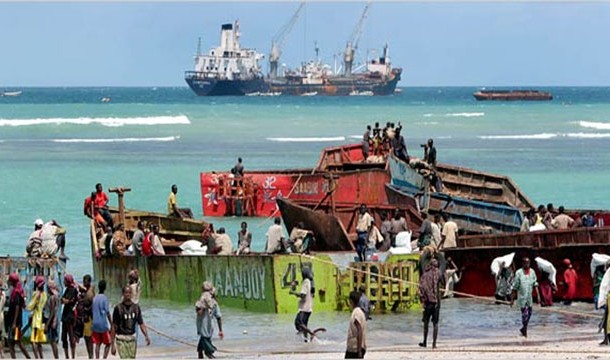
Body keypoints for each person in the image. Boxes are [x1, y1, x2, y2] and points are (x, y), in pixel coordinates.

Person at [111, 285, 151, 359]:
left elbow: (141, 323)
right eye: (126, 292)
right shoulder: (118, 308)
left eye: (129, 292)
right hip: (121, 339)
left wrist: (146, 336)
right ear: (123, 294)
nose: (128, 294)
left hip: (132, 339)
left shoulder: (136, 308)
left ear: (132, 294)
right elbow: (113, 326)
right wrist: (112, 344)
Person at [510, 257, 541, 338]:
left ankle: (523, 329)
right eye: (525, 263)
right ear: (522, 264)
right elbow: (515, 287)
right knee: (525, 315)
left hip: (529, 299)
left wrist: (538, 296)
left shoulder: (532, 272)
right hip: (522, 299)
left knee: (529, 314)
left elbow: (535, 284)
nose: (527, 265)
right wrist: (512, 299)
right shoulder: (519, 273)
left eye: (528, 263)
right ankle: (525, 332)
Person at [195, 282, 223, 359]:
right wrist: (220, 330)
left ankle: (208, 355)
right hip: (209, 327)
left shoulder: (201, 301)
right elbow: (218, 317)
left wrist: (201, 307)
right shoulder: (214, 302)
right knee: (204, 340)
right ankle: (200, 354)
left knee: (207, 346)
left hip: (203, 327)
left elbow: (199, 313)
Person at [6, 273, 30, 359]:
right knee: (12, 341)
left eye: (9, 280)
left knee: (16, 341)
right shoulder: (16, 291)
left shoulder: (16, 293)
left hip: (15, 322)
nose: (8, 281)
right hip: (14, 321)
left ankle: (28, 357)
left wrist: (14, 323)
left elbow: (16, 308)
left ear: (12, 281)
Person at [418, 258, 441, 349]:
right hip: (436, 302)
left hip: (428, 302)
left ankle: (424, 342)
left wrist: (422, 299)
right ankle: (434, 344)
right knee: (435, 323)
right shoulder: (438, 274)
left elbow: (421, 288)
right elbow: (443, 282)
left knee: (426, 322)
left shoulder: (425, 275)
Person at [290, 267, 315, 342]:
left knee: (298, 322)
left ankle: (311, 333)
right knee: (304, 325)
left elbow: (303, 295)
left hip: (304, 308)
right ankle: (306, 341)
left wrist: (293, 293)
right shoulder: (311, 282)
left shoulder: (305, 282)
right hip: (309, 308)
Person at [27, 276, 47, 359]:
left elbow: (30, 306)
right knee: (39, 342)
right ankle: (41, 357)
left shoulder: (36, 293)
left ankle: (36, 358)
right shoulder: (45, 294)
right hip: (41, 318)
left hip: (36, 318)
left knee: (33, 341)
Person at [92, 280, 113, 359]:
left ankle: (97, 358)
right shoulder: (104, 298)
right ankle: (104, 358)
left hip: (95, 324)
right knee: (108, 343)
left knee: (98, 343)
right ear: (105, 288)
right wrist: (111, 324)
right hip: (103, 324)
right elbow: (107, 313)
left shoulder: (94, 298)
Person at [76, 274, 95, 358]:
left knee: (88, 338)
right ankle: (90, 355)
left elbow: (92, 305)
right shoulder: (87, 291)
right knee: (86, 338)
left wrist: (87, 309)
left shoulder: (90, 293)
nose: (84, 283)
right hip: (85, 318)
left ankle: (91, 355)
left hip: (88, 319)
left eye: (85, 281)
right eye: (83, 281)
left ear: (89, 282)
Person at [345, 290, 367, 359]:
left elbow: (359, 331)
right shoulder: (360, 312)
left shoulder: (356, 313)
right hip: (357, 347)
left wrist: (359, 350)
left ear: (351, 301)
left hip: (354, 348)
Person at [62, 274, 79, 359]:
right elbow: (64, 300)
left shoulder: (72, 290)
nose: (63, 282)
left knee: (71, 337)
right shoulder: (67, 290)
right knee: (64, 337)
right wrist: (65, 300)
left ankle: (72, 356)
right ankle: (67, 356)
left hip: (70, 315)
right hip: (66, 315)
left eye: (65, 280)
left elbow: (67, 301)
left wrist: (66, 301)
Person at [45, 280, 61, 359]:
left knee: (53, 341)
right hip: (53, 320)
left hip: (51, 321)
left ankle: (56, 357)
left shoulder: (52, 297)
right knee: (52, 341)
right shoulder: (55, 296)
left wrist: (47, 324)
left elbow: (52, 312)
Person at [0, 278, 5, 358]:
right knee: (1, 336)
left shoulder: (2, 294)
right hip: (1, 316)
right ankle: (2, 352)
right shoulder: (3, 294)